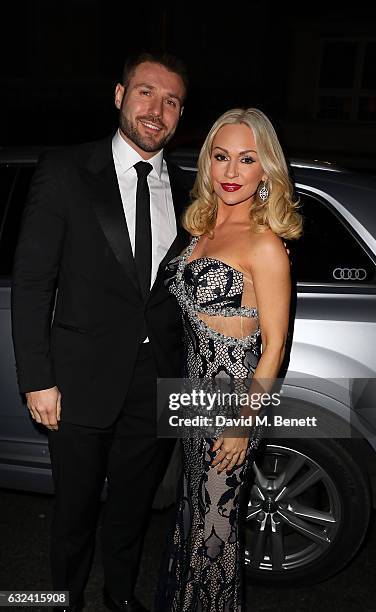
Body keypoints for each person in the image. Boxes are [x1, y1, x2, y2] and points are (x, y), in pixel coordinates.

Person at [11, 51, 194, 612]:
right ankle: (60, 600)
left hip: (157, 382)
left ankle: (120, 598)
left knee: (132, 511)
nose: (156, 110)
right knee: (74, 511)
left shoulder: (191, 192)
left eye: (171, 101)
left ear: (180, 115)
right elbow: (32, 282)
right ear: (119, 95)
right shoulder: (66, 171)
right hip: (79, 380)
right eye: (146, 93)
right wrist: (37, 379)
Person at [156, 108, 303, 611]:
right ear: (208, 162)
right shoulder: (199, 231)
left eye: (247, 159)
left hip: (232, 409)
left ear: (266, 169)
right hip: (196, 402)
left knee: (214, 535)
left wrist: (243, 427)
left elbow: (275, 345)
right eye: (222, 157)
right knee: (192, 522)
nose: (232, 172)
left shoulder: (265, 243)